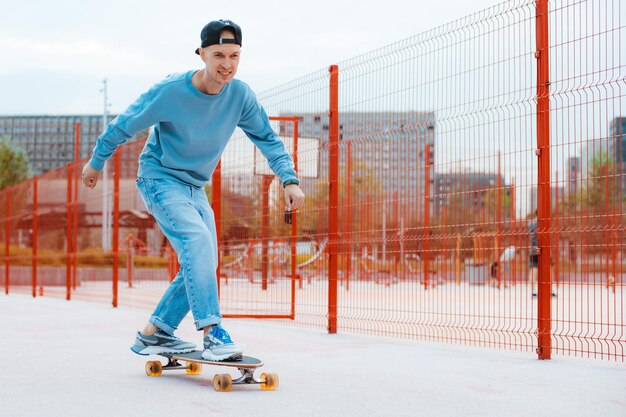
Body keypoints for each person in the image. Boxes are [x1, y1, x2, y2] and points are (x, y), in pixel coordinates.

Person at [81, 19, 305, 361]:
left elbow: (267, 138)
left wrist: (289, 179)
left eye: (234, 56)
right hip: (159, 179)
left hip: (193, 187)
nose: (227, 65)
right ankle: (212, 333)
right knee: (198, 244)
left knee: (203, 259)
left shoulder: (241, 96)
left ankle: (155, 334)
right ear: (201, 54)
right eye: (218, 55)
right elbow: (124, 124)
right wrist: (97, 161)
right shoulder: (171, 91)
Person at [528, 210, 555, 297]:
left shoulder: (530, 224)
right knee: (549, 268)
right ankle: (550, 290)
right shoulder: (544, 223)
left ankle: (533, 291)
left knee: (533, 269)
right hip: (544, 248)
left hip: (534, 248)